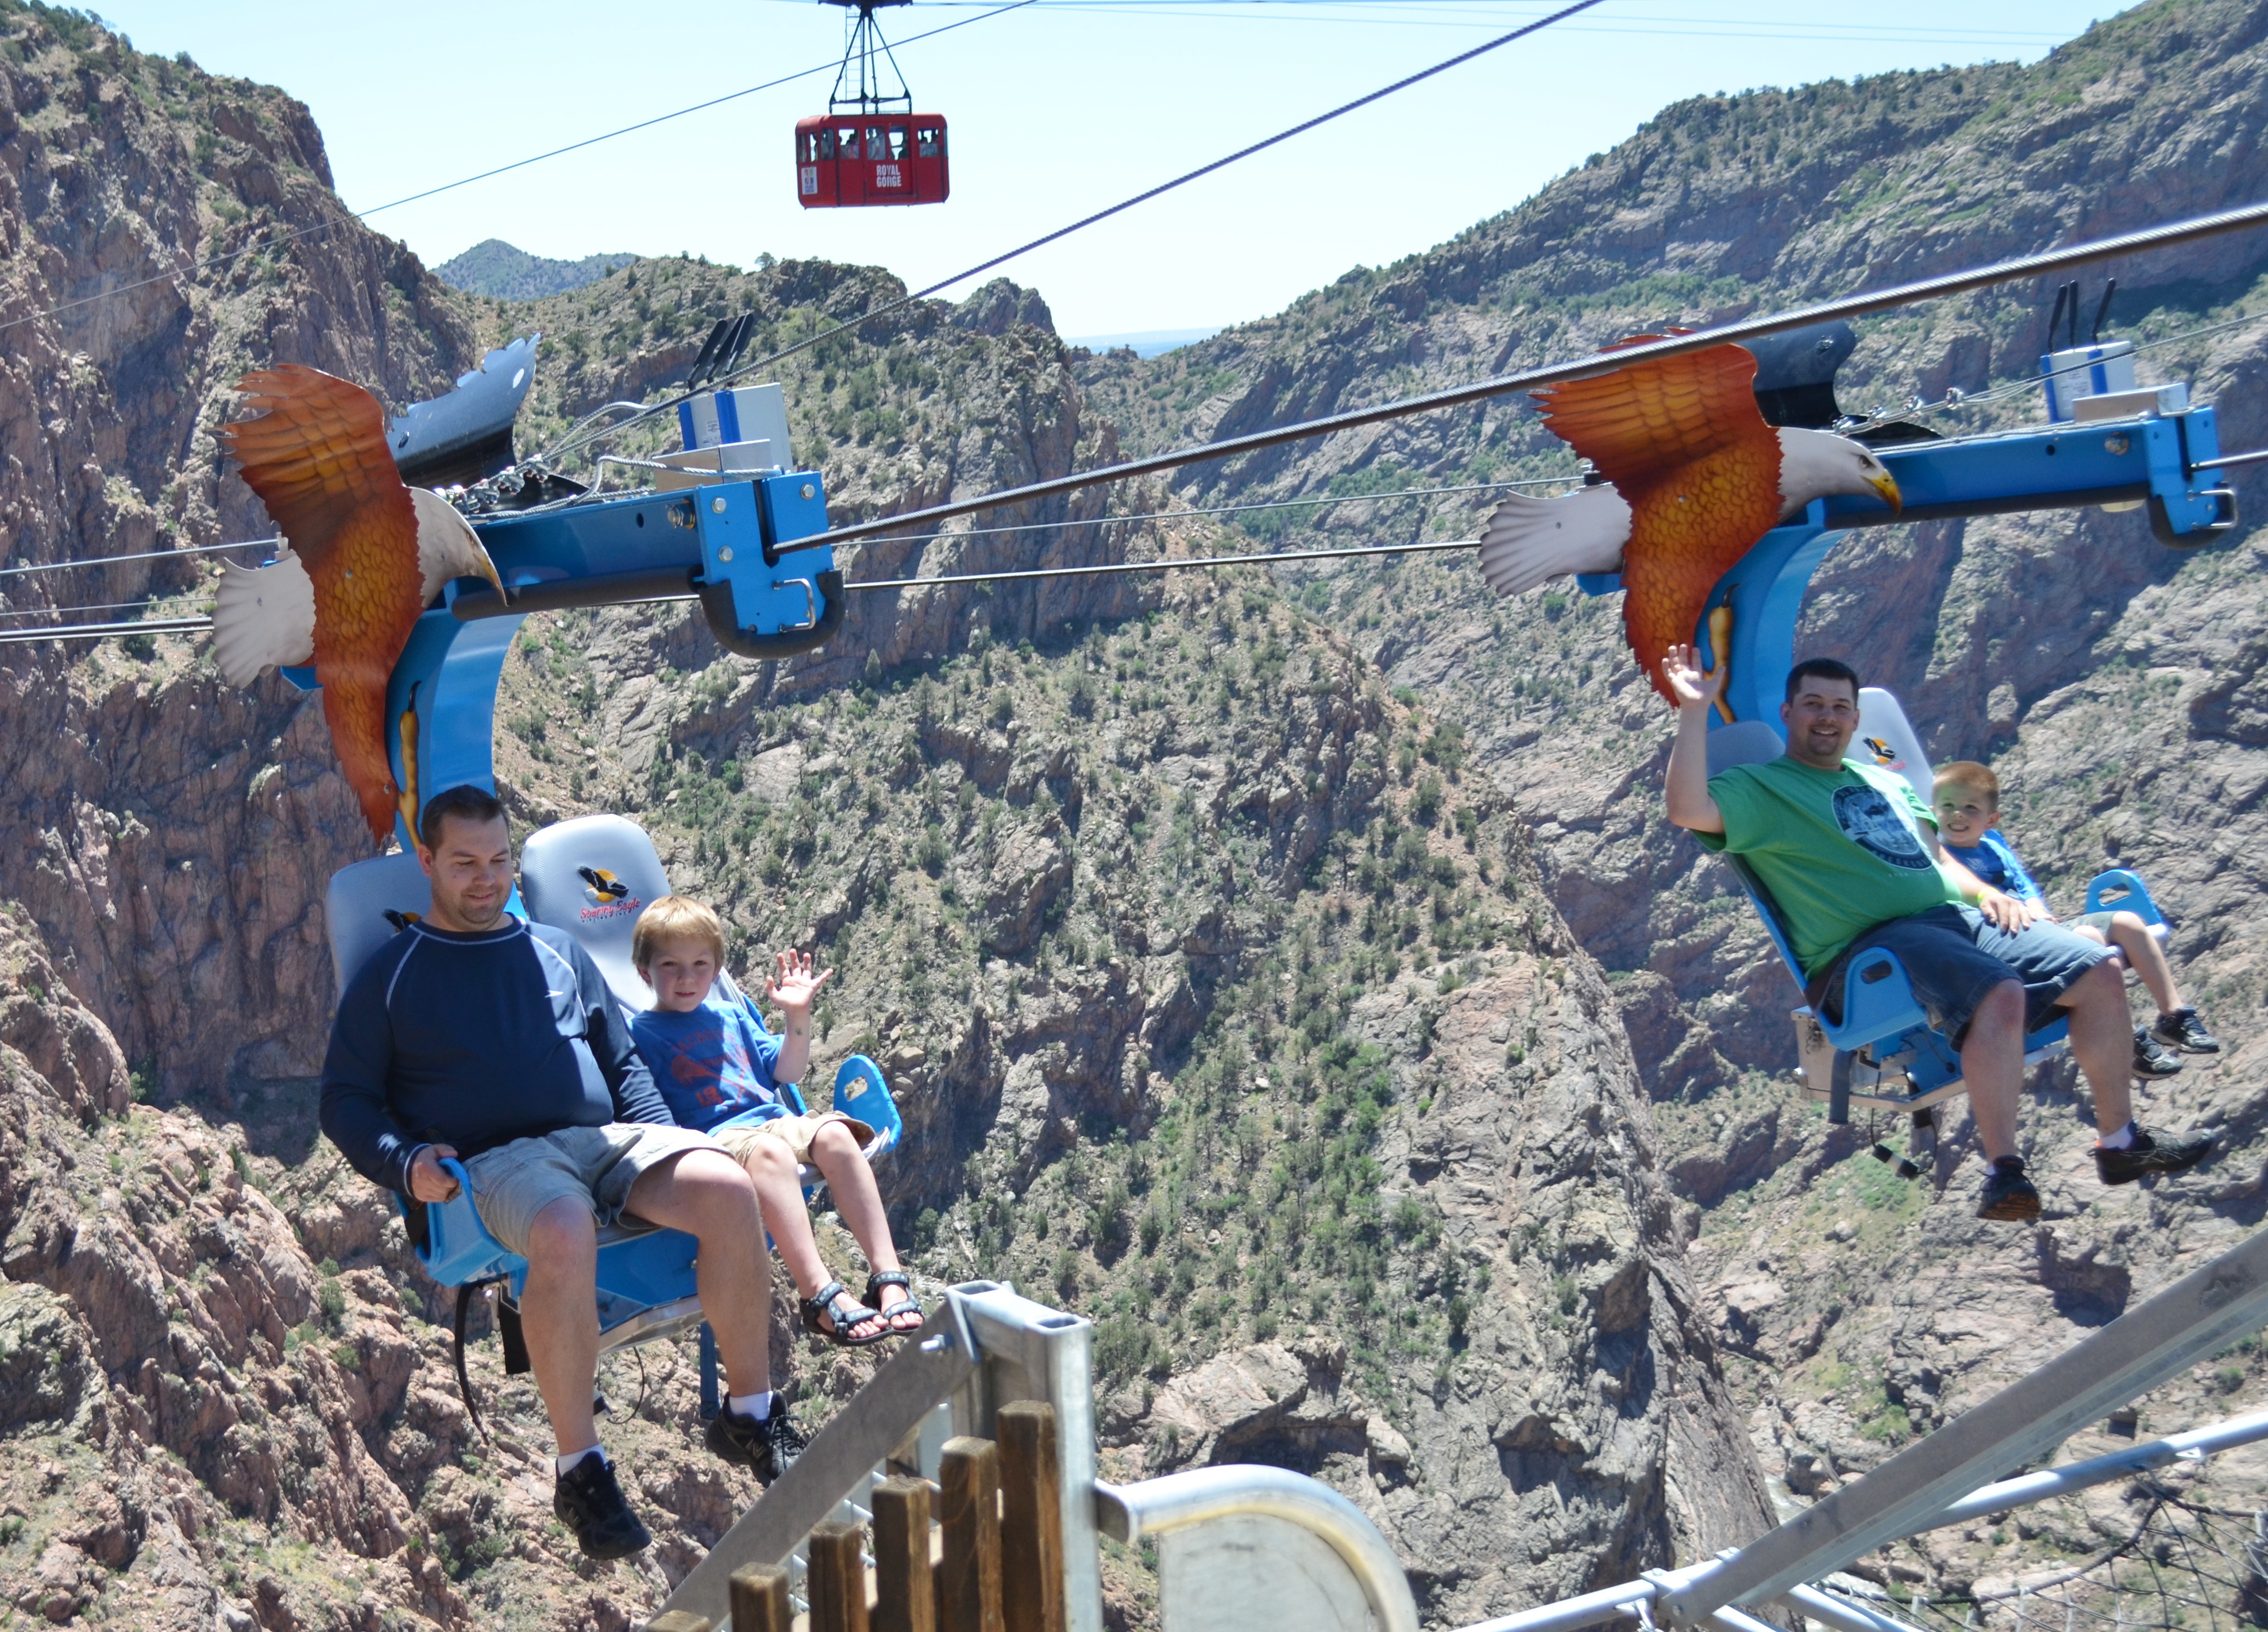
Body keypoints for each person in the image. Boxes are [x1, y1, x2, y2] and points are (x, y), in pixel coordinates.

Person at [318, 786, 803, 1563]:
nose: (486, 879)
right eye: (465, 863)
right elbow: (344, 1101)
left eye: (499, 860)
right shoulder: (395, 976)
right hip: (497, 1161)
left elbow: (621, 1062)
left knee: (725, 1185)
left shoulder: (556, 949)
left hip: (598, 1137)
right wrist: (405, 1163)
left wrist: (672, 1145)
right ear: (429, 863)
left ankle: (750, 1410)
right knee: (563, 1222)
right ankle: (581, 1467)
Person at [1662, 649, 2213, 1222]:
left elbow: (1935, 860)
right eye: (1813, 705)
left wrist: (1987, 893)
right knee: (1999, 992)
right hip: (1873, 947)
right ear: (1789, 713)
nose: (1827, 717)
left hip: (1956, 921)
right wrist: (1695, 711)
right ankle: (2004, 1173)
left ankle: (2120, 1144)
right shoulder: (1763, 787)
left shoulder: (1885, 782)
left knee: (2098, 967)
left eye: (1840, 707)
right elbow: (1687, 808)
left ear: (1854, 719)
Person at [628, 895, 924, 1351]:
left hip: (774, 1119)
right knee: (770, 1154)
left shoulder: (732, 1015)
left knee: (835, 1135)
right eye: (671, 965)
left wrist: (797, 1016)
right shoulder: (639, 1035)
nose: (688, 978)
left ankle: (888, 1276)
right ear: (645, 972)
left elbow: (786, 1071)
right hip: (717, 1140)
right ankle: (818, 1292)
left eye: (700, 964)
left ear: (717, 968)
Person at [1932, 760, 2221, 1081]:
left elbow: (2021, 882)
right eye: (1948, 806)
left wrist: (2034, 905)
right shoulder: (1939, 859)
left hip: (2039, 928)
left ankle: (2174, 1016)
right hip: (2008, 945)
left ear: (1991, 819)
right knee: (2089, 938)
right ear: (1933, 813)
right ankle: (2128, 1041)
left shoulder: (1993, 846)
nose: (1958, 814)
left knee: (2127, 921)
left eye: (1970, 807)